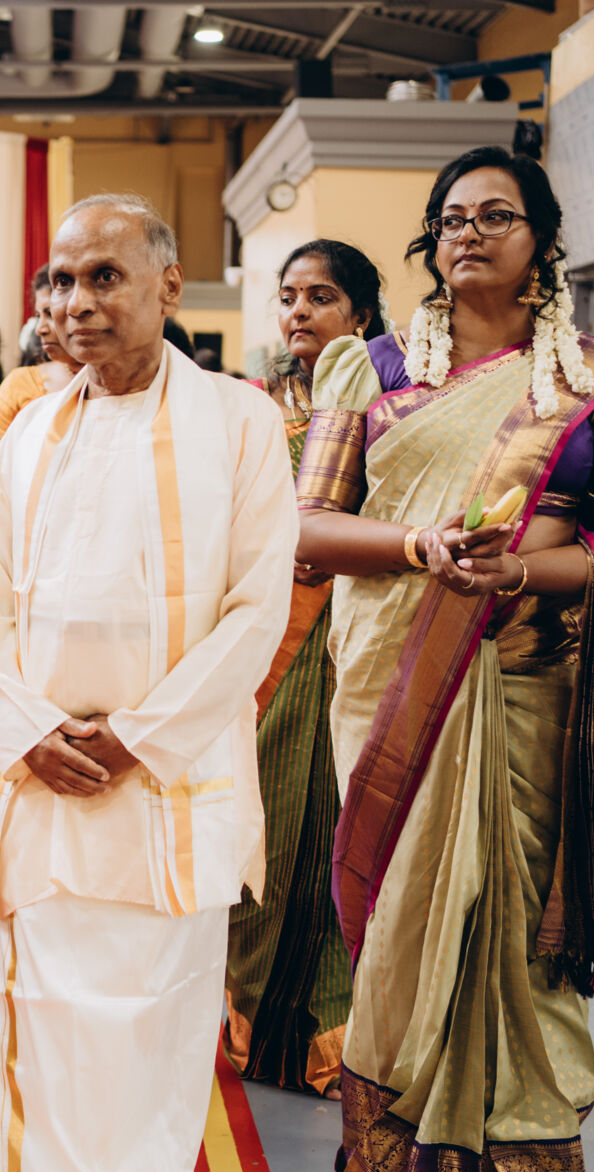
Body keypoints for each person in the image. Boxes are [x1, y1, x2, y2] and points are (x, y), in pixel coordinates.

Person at [297, 146, 594, 1172]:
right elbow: (305, 528)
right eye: (451, 217)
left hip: (525, 679)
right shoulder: (364, 370)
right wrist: (418, 545)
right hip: (392, 676)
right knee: (406, 924)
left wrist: (516, 572)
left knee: (515, 933)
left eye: (495, 215)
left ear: (541, 239)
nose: (467, 233)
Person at [0, 191, 294, 1172]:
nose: (73, 302)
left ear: (166, 286)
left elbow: (256, 610)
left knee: (152, 1064)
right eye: (58, 280)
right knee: (38, 1061)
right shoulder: (28, 433)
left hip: (166, 798)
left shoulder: (239, 421)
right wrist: (31, 729)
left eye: (103, 276)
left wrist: (139, 737)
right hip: (45, 799)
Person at [222, 238, 386, 1100]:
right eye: (288, 296)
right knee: (268, 828)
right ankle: (253, 1022)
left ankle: (338, 1034)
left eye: (320, 297)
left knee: (345, 833)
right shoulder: (253, 410)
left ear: (361, 314)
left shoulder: (393, 404)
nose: (298, 311)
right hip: (269, 650)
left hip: (359, 641)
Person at [0, 266, 81, 446]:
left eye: (50, 314)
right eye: (38, 316)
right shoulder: (20, 383)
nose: (40, 329)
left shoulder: (115, 385)